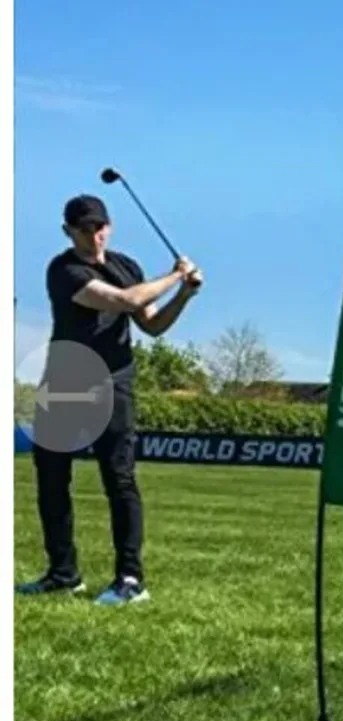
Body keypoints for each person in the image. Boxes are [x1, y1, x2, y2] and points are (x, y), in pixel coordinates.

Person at [16, 194, 203, 605]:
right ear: (68, 230)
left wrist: (183, 295)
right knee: (51, 478)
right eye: (85, 228)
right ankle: (63, 573)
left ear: (110, 226)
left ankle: (130, 579)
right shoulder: (64, 269)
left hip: (113, 381)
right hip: (65, 380)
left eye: (100, 226)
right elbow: (124, 301)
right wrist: (175, 276)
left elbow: (151, 324)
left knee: (118, 478)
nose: (95, 234)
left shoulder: (127, 267)